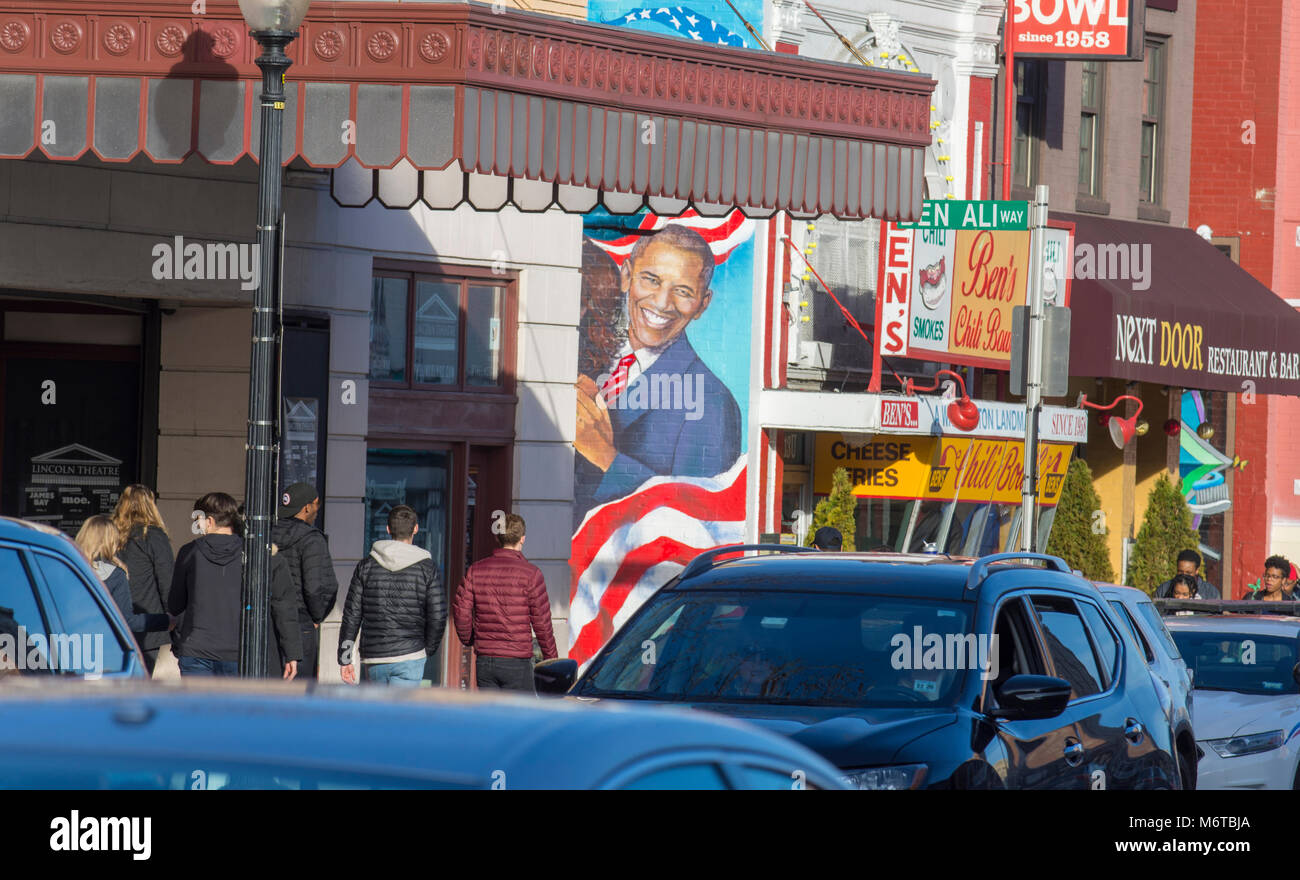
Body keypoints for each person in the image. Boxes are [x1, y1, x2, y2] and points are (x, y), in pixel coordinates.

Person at [573, 224, 742, 527]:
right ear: (626, 276)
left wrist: (605, 456)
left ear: (703, 304)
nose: (662, 303)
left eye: (683, 291)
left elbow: (697, 521)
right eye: (651, 280)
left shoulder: (713, 403)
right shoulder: (584, 353)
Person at [338, 505, 446, 687]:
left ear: (388, 529)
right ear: (416, 529)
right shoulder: (427, 568)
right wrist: (426, 649)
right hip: (411, 655)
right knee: (402, 714)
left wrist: (345, 658)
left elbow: (351, 615)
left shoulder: (366, 566)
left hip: (375, 657)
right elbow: (438, 615)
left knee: (378, 713)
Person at [452, 513, 557, 693]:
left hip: (486, 660)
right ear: (522, 539)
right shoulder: (531, 574)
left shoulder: (476, 570)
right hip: (517, 660)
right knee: (520, 719)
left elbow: (461, 612)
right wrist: (552, 660)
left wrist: (470, 639)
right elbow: (542, 623)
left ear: (497, 537)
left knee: (491, 718)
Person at [168, 493, 244, 676]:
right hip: (237, 649)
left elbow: (176, 604)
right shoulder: (249, 553)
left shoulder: (189, 552)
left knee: (197, 705)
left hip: (196, 648)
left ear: (209, 521)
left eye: (198, 519)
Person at [75, 516, 173, 654]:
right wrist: (167, 621)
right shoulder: (115, 574)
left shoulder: (66, 567)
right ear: (110, 541)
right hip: (106, 648)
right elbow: (127, 621)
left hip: (70, 644)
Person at [271, 482, 338, 680]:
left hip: (267, 620)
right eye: (317, 505)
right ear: (307, 507)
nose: (317, 510)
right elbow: (316, 586)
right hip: (300, 622)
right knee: (298, 692)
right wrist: (317, 616)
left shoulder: (264, 534)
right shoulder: (312, 539)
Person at [112, 484, 175, 675]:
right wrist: (172, 617)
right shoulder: (153, 535)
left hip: (114, 618)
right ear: (151, 505)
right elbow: (167, 580)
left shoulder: (111, 535)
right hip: (147, 621)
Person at [1154, 549, 1221, 599]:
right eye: (1180, 572)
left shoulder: (1211, 593)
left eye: (1188, 573)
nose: (1184, 575)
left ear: (1197, 570)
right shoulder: (1164, 590)